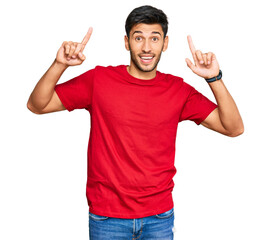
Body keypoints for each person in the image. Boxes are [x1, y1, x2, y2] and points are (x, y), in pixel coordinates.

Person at [27, 5, 244, 240]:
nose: (147, 47)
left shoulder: (178, 90)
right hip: (107, 216)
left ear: (165, 43)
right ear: (127, 42)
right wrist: (60, 64)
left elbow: (233, 127)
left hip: (159, 216)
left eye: (155, 38)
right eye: (138, 37)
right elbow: (37, 105)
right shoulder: (99, 80)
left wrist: (214, 78)